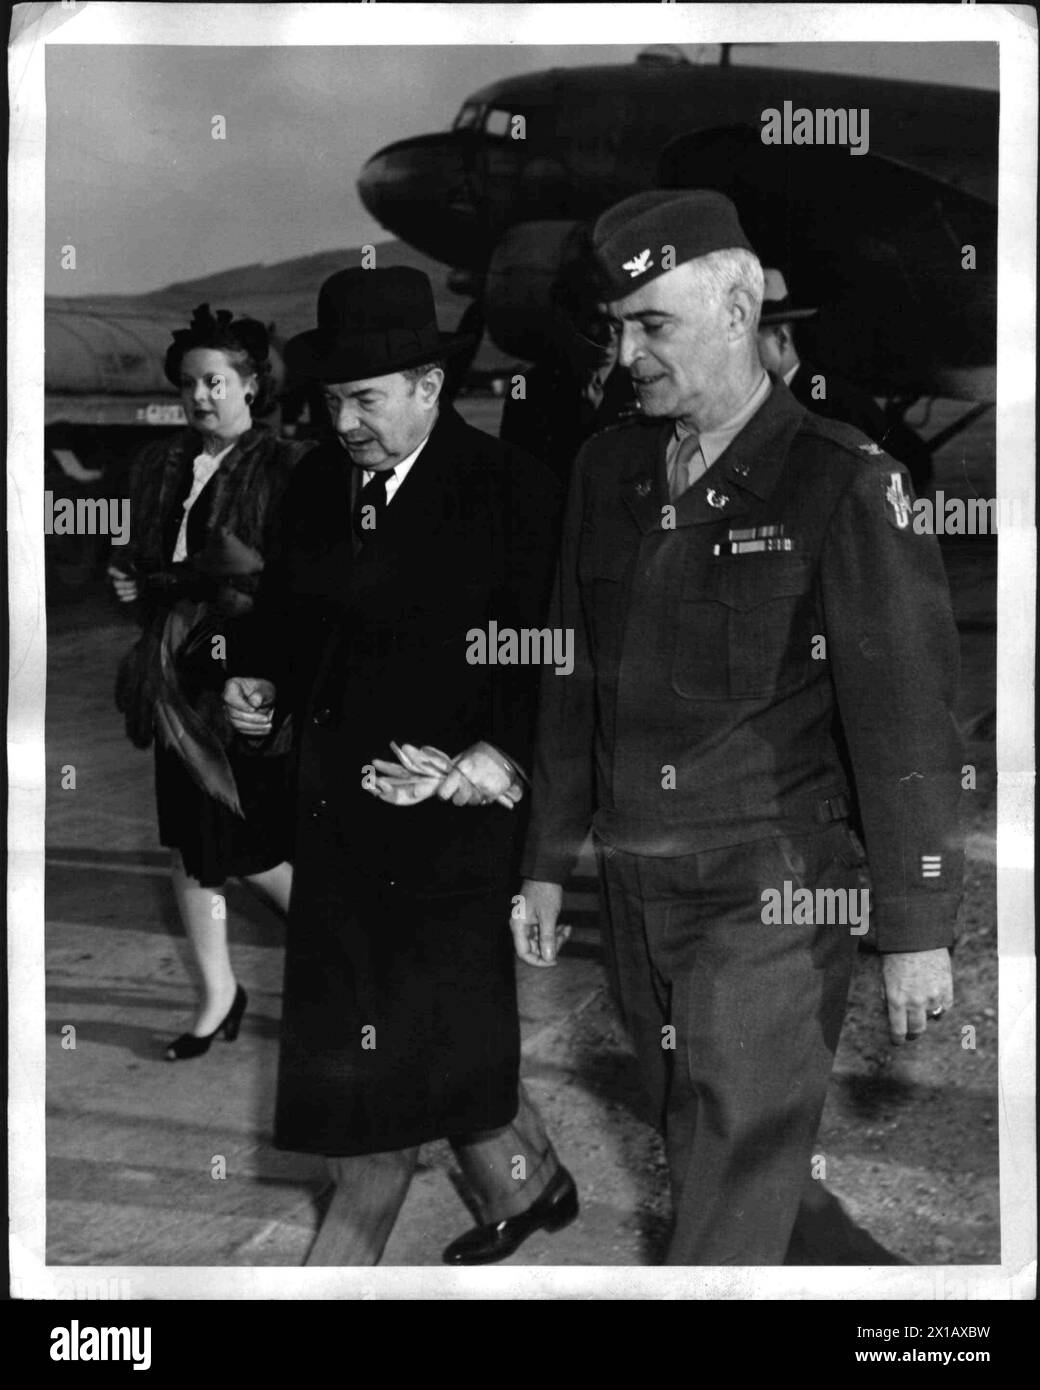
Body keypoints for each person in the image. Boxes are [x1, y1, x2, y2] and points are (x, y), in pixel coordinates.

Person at [515, 191, 963, 1265]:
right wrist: (541, 860)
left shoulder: (841, 481)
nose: (623, 353)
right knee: (710, 1146)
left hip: (770, 891)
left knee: (722, 1187)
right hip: (635, 889)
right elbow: (571, 680)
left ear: (733, 305)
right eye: (614, 326)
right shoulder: (606, 470)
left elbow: (903, 721)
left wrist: (913, 926)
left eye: (649, 324)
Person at [223, 266, 576, 1266]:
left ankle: (338, 1269)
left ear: (428, 386)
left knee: (376, 1100)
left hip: (456, 826)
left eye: (366, 398)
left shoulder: (510, 491)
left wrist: (488, 755)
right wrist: (256, 687)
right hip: (340, 816)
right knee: (411, 1042)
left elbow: (546, 654)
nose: (343, 421)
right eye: (333, 398)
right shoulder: (312, 485)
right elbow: (288, 629)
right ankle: (531, 1182)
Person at [109, 304, 311, 1060]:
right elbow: (138, 560)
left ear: (252, 385)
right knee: (191, 848)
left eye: (217, 381)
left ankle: (351, 962)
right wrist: (132, 586)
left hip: (248, 679)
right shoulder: (159, 466)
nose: (201, 396)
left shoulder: (288, 467)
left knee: (252, 844)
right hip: (174, 680)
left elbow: (295, 587)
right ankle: (219, 995)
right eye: (190, 383)